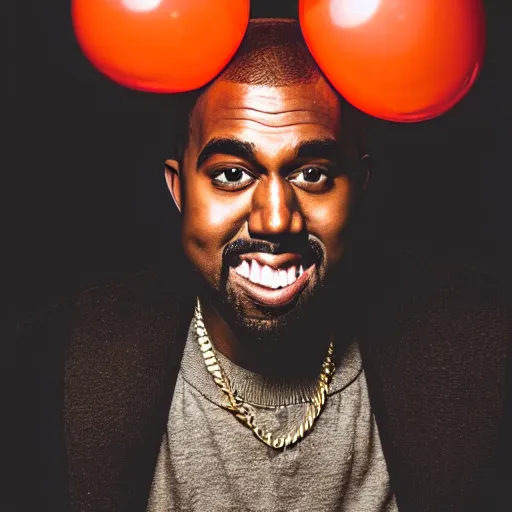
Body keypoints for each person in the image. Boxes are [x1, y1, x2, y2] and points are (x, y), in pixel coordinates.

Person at [18, 19, 509, 512]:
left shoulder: (486, 357)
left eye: (312, 174)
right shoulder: (46, 368)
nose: (275, 220)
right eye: (232, 175)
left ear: (359, 187)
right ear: (178, 189)